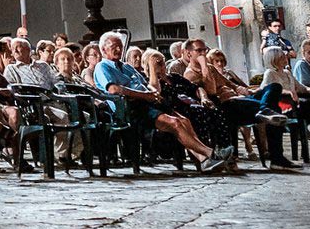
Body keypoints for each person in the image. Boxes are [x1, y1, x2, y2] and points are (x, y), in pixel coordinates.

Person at [93, 31, 226, 172]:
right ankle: (211, 153)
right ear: (103, 49)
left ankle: (203, 160)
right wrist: (145, 96)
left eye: (120, 46)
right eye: (114, 46)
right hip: (131, 108)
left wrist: (152, 91)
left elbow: (145, 83)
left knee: (184, 121)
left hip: (149, 102)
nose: (119, 50)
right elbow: (114, 89)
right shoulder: (103, 67)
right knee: (174, 123)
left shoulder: (127, 67)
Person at [5, 36, 77, 165]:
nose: (14, 51)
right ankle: (59, 156)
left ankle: (67, 154)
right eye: (13, 48)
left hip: (52, 102)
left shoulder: (43, 66)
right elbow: (13, 90)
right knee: (62, 117)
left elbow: (57, 82)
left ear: (28, 50)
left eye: (18, 48)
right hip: (30, 106)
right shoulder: (11, 69)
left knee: (78, 116)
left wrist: (61, 92)